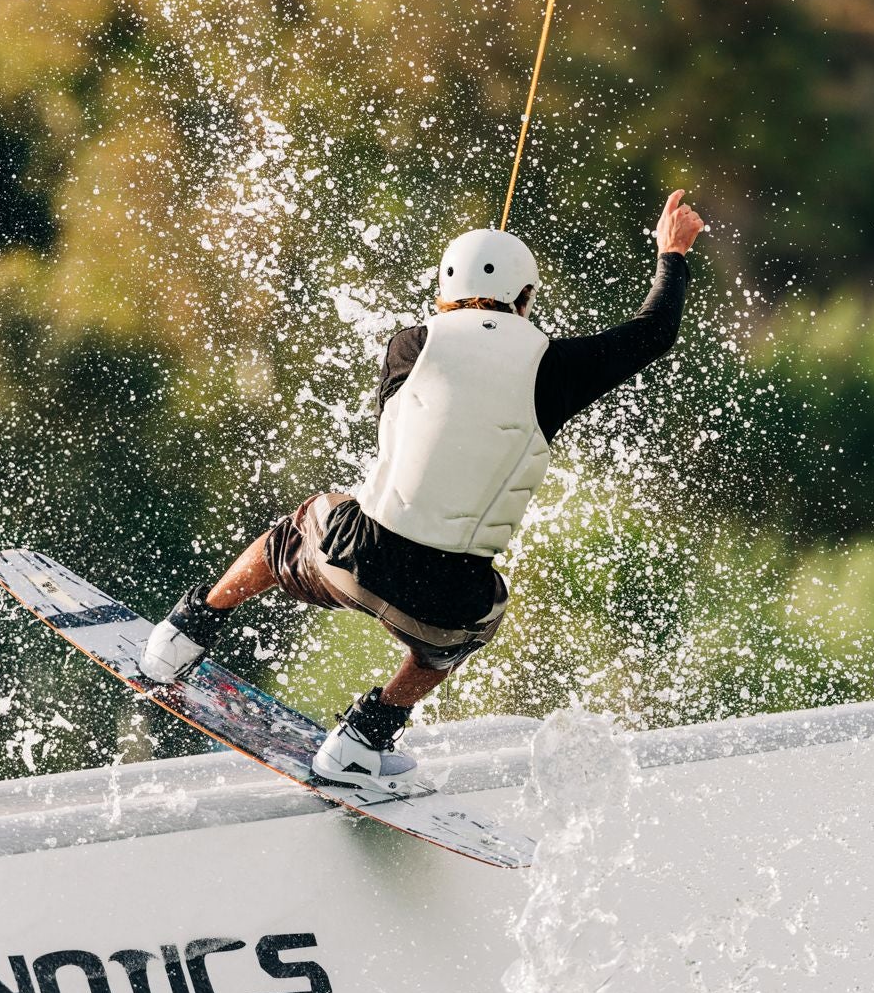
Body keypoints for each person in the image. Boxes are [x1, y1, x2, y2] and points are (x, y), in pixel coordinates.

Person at [143, 191, 707, 792]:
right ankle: (364, 738)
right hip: (444, 606)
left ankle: (185, 633)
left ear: (442, 291)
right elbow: (655, 331)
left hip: (351, 562)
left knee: (305, 523)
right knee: (479, 619)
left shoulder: (407, 345)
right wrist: (670, 253)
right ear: (527, 300)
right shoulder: (558, 369)